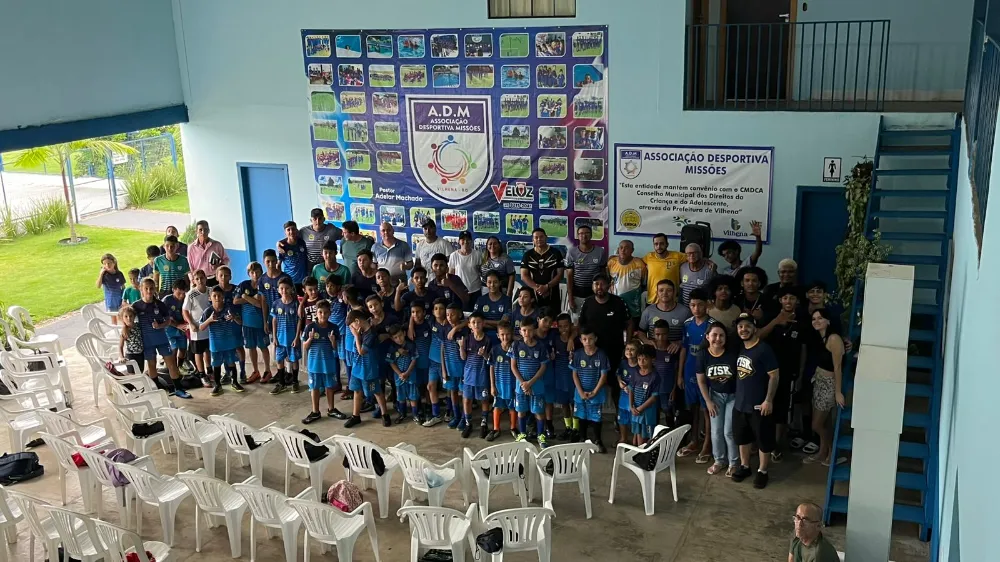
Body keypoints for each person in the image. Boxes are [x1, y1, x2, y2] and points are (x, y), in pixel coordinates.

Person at [732, 313, 780, 489]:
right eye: (740, 327)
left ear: (755, 328)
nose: (743, 329)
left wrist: (768, 400)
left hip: (759, 405)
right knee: (742, 438)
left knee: (763, 440)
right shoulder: (741, 348)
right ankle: (745, 466)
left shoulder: (764, 349)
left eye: (747, 326)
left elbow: (774, 376)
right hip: (740, 404)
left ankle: (762, 471)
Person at [760, 286, 808, 462]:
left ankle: (776, 445)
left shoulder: (801, 322)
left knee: (782, 411)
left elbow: (803, 350)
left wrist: (800, 374)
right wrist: (775, 322)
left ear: (797, 301)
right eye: (785, 298)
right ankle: (763, 443)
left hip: (788, 374)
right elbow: (758, 337)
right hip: (766, 374)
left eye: (792, 298)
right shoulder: (770, 317)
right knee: (765, 408)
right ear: (780, 300)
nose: (788, 301)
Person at [578, 273, 632, 405]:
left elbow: (629, 323)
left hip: (614, 351)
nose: (599, 287)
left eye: (602, 284)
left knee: (616, 384)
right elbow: (580, 326)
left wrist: (628, 343)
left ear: (609, 286)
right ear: (592, 286)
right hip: (592, 352)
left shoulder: (619, 302)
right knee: (591, 382)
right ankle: (592, 414)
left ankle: (619, 414)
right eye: (596, 284)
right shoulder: (587, 302)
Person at [133, 278, 190, 398]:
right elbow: (127, 318)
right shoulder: (136, 306)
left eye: (151, 288)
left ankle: (178, 388)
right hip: (147, 342)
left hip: (162, 339)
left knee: (171, 363)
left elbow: (168, 321)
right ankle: (157, 388)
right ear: (141, 289)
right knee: (152, 364)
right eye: (146, 288)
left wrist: (160, 325)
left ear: (155, 289)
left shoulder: (160, 304)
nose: (149, 291)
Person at [696, 323, 740, 477]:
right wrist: (708, 401)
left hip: (733, 396)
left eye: (721, 335)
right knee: (715, 431)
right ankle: (719, 461)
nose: (718, 338)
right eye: (714, 335)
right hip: (715, 396)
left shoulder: (732, 354)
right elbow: (701, 381)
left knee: (729, 431)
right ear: (707, 337)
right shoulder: (703, 355)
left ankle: (734, 463)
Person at [805, 308, 846, 466]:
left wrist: (838, 392)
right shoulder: (818, 337)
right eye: (814, 318)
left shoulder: (833, 338)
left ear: (828, 321)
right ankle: (823, 453)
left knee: (816, 425)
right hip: (819, 382)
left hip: (829, 385)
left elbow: (838, 367)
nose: (816, 321)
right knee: (825, 423)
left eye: (820, 318)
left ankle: (834, 452)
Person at [677, 288, 714, 462]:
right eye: (693, 305)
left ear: (707, 305)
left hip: (705, 371)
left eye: (700, 305)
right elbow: (684, 349)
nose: (696, 308)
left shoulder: (712, 325)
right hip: (689, 370)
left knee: (706, 409)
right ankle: (694, 440)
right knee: (693, 407)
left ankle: (708, 444)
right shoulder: (687, 324)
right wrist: (680, 374)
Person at [344, 309, 391, 428]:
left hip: (368, 369)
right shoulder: (361, 331)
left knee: (377, 392)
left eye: (352, 326)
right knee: (357, 390)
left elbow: (361, 351)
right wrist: (357, 335)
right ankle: (356, 416)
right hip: (357, 367)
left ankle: (385, 414)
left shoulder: (370, 334)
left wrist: (356, 336)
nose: (352, 329)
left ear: (357, 321)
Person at [301, 300, 346, 424]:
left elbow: (335, 348)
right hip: (314, 365)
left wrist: (332, 341)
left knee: (329, 387)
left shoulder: (334, 328)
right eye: (320, 312)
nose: (323, 315)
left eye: (326, 312)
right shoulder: (310, 327)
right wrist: (310, 339)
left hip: (328, 364)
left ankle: (331, 409)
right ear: (316, 313)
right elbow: (305, 346)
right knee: (314, 388)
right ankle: (315, 412)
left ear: (330, 313)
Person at [199, 286, 246, 395]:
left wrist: (234, 317)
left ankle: (234, 382)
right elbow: (201, 327)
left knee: (231, 362)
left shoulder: (229, 308)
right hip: (216, 344)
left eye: (219, 296)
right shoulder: (208, 311)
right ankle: (217, 385)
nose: (217, 298)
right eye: (214, 296)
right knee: (216, 364)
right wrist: (209, 320)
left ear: (223, 297)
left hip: (229, 342)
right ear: (210, 298)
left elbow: (240, 322)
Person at [511, 317, 550, 447]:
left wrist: (530, 383)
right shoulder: (516, 345)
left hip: (536, 385)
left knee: (538, 411)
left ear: (534, 331)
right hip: (521, 386)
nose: (527, 333)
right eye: (524, 330)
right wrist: (523, 383)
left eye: (529, 330)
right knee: (521, 410)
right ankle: (522, 434)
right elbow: (513, 366)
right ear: (520, 332)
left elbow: (543, 367)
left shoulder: (541, 347)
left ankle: (540, 435)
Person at [571, 327, 610, 452]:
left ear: (595, 339)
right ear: (581, 340)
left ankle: (597, 440)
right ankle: (582, 438)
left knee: (596, 417)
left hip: (596, 393)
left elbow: (603, 375)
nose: (587, 342)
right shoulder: (578, 354)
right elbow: (574, 374)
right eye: (584, 339)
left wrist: (595, 392)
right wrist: (580, 392)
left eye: (590, 339)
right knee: (581, 416)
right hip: (580, 392)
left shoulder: (601, 355)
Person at [235, 262, 270, 383]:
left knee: (263, 346)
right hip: (247, 324)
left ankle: (267, 370)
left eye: (257, 272)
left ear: (261, 272)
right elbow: (235, 301)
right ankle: (255, 371)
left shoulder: (264, 285)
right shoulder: (244, 285)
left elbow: (260, 305)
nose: (255, 275)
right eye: (252, 272)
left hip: (260, 323)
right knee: (251, 347)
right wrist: (250, 298)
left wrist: (245, 297)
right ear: (249, 274)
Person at [460, 312, 492, 438]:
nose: (476, 325)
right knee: (467, 399)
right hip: (468, 376)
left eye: (479, 322)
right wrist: (461, 347)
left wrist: (484, 354)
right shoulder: (467, 339)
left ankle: (484, 423)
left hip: (482, 376)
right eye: (473, 322)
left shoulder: (487, 340)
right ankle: (468, 423)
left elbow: (490, 359)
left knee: (484, 400)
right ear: (469, 325)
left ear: (483, 324)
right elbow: (463, 357)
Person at [269, 278, 303, 395]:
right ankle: (281, 383)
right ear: (278, 290)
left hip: (292, 339)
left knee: (294, 360)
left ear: (291, 289)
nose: (284, 290)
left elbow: (299, 321)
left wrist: (297, 337)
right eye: (282, 288)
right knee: (279, 360)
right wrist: (274, 337)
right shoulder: (276, 304)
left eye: (287, 288)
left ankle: (295, 381)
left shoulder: (296, 304)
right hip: (280, 339)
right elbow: (274, 320)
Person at [487, 321, 519, 441]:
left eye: (507, 334)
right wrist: (492, 385)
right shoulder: (495, 350)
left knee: (513, 407)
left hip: (512, 385)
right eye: (502, 334)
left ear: (511, 334)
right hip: (499, 386)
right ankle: (496, 429)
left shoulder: (516, 349)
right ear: (498, 335)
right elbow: (491, 368)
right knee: (497, 406)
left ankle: (513, 428)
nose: (505, 337)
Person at [520, 228, 564, 314]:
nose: (539, 239)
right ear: (533, 239)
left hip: (553, 294)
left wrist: (547, 287)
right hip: (534, 296)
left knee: (553, 318)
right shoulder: (527, 255)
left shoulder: (556, 253)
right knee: (535, 319)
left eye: (541, 237)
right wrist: (537, 288)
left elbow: (560, 274)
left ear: (546, 237)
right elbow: (524, 276)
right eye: (536, 237)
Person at [421, 298, 451, 427]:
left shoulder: (450, 324)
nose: (438, 311)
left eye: (441, 308)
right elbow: (416, 318)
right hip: (433, 361)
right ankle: (436, 415)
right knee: (430, 386)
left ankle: (449, 411)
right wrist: (410, 325)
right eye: (436, 308)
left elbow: (465, 321)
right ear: (433, 311)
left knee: (449, 388)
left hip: (446, 363)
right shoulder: (431, 321)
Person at [565, 224, 607, 312]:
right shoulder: (571, 252)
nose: (584, 235)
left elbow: (603, 274)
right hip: (577, 292)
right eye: (581, 233)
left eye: (587, 233)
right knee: (577, 318)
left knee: (594, 316)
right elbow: (569, 276)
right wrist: (570, 298)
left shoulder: (600, 251)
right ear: (578, 236)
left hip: (594, 292)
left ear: (591, 235)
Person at [638, 280, 690, 346]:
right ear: (657, 293)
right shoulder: (648, 311)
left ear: (674, 293)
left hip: (677, 350)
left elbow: (692, 334)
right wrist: (647, 341)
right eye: (661, 290)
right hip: (653, 350)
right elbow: (641, 332)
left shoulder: (685, 312)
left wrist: (680, 343)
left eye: (669, 290)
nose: (665, 293)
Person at [183, 269, 212, 385]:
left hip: (209, 326)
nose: (200, 280)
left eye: (202, 278)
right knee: (198, 352)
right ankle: (202, 374)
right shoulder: (191, 294)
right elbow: (185, 310)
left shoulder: (210, 291)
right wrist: (191, 323)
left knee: (208, 350)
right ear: (194, 281)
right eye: (197, 279)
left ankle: (209, 371)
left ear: (206, 278)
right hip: (197, 328)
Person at [388, 324, 420, 424]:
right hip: (399, 377)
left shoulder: (411, 346)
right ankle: (402, 414)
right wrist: (400, 374)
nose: (399, 339)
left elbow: (414, 360)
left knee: (413, 396)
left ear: (404, 333)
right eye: (395, 337)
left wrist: (407, 373)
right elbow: (391, 362)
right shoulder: (392, 348)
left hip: (411, 376)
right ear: (392, 339)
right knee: (401, 397)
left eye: (400, 335)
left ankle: (415, 415)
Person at [442, 303, 467, 429]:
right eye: (447, 315)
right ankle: (456, 416)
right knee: (453, 391)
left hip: (462, 369)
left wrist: (457, 328)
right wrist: (443, 369)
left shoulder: (465, 330)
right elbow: (442, 349)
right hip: (450, 368)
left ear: (459, 315)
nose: (449, 317)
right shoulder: (444, 329)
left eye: (452, 314)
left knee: (464, 394)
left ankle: (464, 418)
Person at [630, 344, 661, 446]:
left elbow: (654, 397)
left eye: (645, 359)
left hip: (648, 412)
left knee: (647, 437)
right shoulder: (635, 373)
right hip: (636, 410)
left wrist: (640, 408)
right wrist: (631, 406)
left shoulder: (655, 376)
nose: (641, 362)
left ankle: (647, 453)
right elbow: (631, 390)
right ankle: (639, 452)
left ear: (652, 359)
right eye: (639, 359)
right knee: (638, 434)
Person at [607, 240, 646, 318]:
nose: (623, 250)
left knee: (633, 321)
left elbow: (643, 283)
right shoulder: (611, 262)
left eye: (626, 248)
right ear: (618, 249)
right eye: (621, 247)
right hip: (615, 300)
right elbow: (608, 279)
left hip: (633, 302)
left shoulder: (639, 264)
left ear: (632, 250)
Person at [407, 300, 432, 423]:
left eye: (418, 312)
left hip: (427, 362)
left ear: (424, 312)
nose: (415, 315)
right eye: (413, 312)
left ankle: (428, 407)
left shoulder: (428, 324)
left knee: (428, 386)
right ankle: (418, 410)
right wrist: (411, 324)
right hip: (414, 364)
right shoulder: (408, 328)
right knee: (416, 387)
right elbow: (407, 338)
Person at [643, 233, 685, 304]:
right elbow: (636, 261)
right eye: (656, 244)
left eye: (662, 243)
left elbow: (692, 256)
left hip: (672, 300)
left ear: (667, 244)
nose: (659, 246)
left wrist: (705, 260)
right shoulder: (649, 257)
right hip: (653, 300)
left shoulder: (677, 256)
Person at [162, 278, 191, 374]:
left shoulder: (186, 299)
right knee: (174, 349)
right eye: (179, 293)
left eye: (183, 293)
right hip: (169, 329)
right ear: (173, 290)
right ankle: (172, 369)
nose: (181, 296)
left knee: (183, 349)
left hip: (182, 329)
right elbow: (165, 318)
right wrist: (177, 325)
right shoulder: (167, 300)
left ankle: (179, 366)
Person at [187, 220, 230, 286]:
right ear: (196, 231)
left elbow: (226, 259)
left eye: (206, 229)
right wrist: (192, 280)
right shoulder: (191, 248)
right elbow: (189, 266)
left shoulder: (217, 245)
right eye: (200, 230)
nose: (203, 232)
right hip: (199, 280)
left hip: (215, 279)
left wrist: (220, 266)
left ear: (209, 231)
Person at [300, 208, 343, 272]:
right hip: (310, 268)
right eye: (315, 219)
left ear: (324, 219)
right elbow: (291, 238)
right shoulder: (303, 231)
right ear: (311, 220)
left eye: (320, 218)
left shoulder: (332, 230)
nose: (317, 222)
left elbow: (347, 235)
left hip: (328, 267)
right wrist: (283, 243)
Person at [473, 271, 512, 341]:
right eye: (489, 282)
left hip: (500, 336)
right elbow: (474, 319)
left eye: (495, 282)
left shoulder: (506, 300)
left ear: (500, 283)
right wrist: (496, 324)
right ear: (486, 283)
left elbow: (503, 323)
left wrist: (484, 322)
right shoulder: (481, 299)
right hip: (483, 335)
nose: (492, 285)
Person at [616, 339, 641, 444]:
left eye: (632, 349)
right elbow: (618, 374)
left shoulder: (640, 365)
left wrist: (631, 388)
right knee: (622, 418)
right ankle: (623, 438)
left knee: (635, 419)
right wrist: (619, 382)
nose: (629, 351)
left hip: (635, 397)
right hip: (624, 396)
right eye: (627, 349)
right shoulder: (623, 363)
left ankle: (636, 441)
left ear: (638, 352)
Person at [449, 231, 484, 303]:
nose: (465, 242)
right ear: (459, 241)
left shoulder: (477, 254)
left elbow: (481, 271)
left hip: (475, 290)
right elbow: (451, 275)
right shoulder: (454, 255)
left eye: (468, 239)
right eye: (463, 239)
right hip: (459, 291)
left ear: (471, 241)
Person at [277, 221, 309, 289]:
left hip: (303, 280)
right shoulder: (283, 246)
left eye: (293, 229)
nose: (291, 232)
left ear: (296, 230)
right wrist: (281, 279)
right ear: (285, 232)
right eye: (288, 230)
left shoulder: (301, 242)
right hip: (290, 282)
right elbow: (278, 265)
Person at [97, 253, 126, 323]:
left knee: (121, 318)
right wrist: (101, 274)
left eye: (109, 263)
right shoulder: (104, 275)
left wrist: (124, 300)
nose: (107, 265)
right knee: (113, 319)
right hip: (110, 302)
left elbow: (123, 287)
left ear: (114, 263)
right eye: (104, 264)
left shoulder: (119, 274)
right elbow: (98, 286)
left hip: (119, 300)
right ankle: (115, 329)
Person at [118, 306, 144, 371]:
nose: (129, 318)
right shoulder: (124, 330)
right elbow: (120, 346)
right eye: (126, 316)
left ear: (134, 316)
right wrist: (121, 357)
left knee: (140, 372)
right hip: (130, 355)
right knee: (132, 373)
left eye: (131, 316)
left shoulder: (138, 326)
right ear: (122, 318)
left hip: (140, 354)